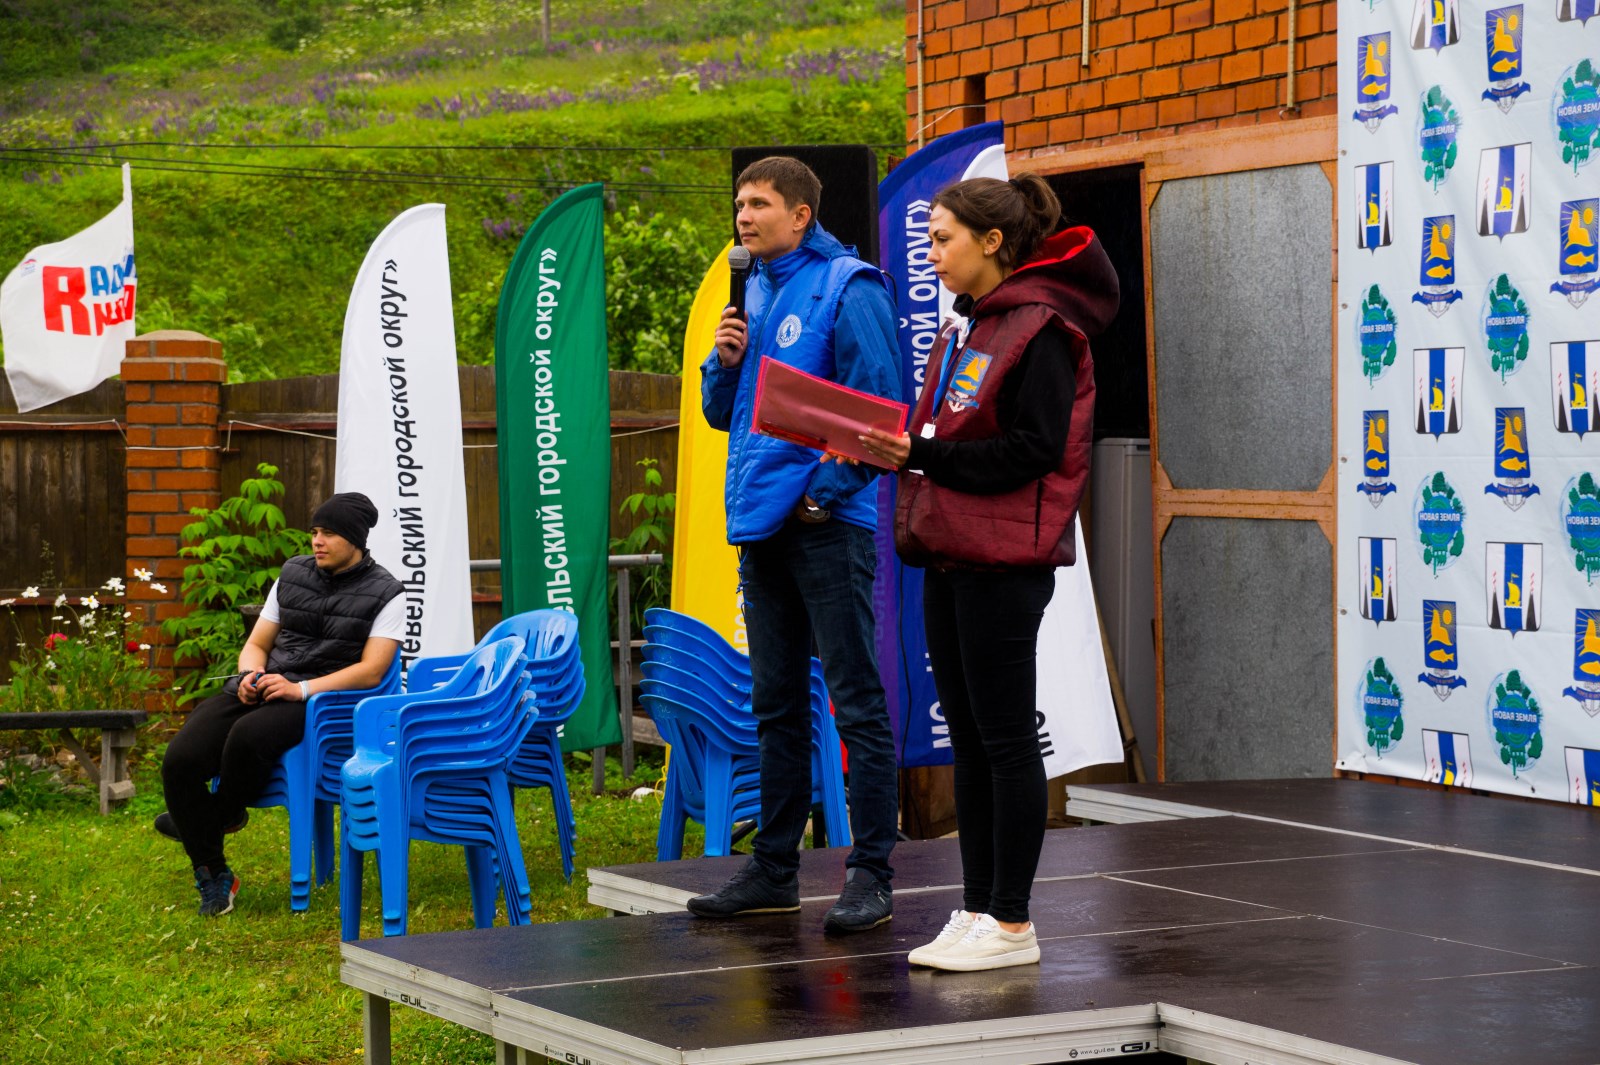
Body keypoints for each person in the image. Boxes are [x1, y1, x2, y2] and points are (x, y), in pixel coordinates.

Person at [857, 174, 1119, 970]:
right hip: (948, 550)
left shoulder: (1041, 327)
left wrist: (922, 453)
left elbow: (1035, 449)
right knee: (966, 741)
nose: (930, 254)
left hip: (1005, 561)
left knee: (1005, 739)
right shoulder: (966, 328)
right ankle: (975, 908)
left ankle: (1012, 921)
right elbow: (952, 427)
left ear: (993, 241)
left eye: (943, 239)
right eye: (929, 238)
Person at [687, 155, 902, 933]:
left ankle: (872, 872)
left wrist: (821, 496)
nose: (743, 217)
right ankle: (775, 869)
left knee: (855, 702)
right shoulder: (755, 290)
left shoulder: (850, 285)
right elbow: (725, 416)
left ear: (801, 214)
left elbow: (883, 415)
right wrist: (724, 361)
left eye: (759, 204)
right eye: (739, 203)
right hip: (760, 527)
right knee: (775, 704)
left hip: (823, 526)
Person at [155, 492, 404, 917]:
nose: (317, 541)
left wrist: (302, 690)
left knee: (248, 736)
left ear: (355, 540)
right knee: (181, 759)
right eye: (314, 532)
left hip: (322, 701)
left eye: (328, 533)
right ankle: (215, 873)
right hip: (265, 685)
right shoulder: (292, 574)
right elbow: (257, 643)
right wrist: (251, 675)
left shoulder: (386, 592)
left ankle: (216, 816)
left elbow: (372, 670)